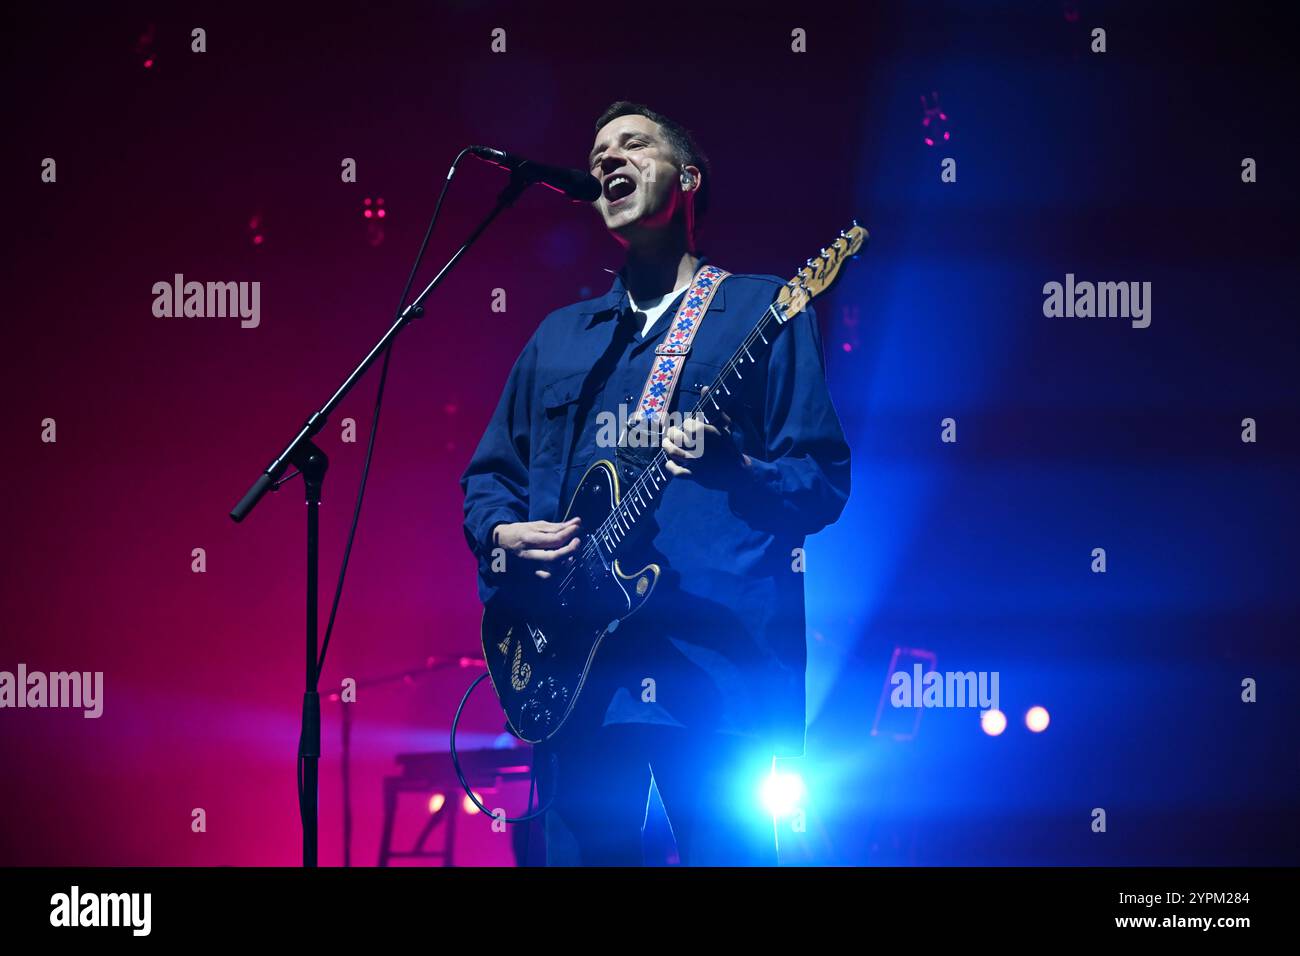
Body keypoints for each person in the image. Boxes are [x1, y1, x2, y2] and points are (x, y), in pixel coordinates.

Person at [461, 102, 850, 865]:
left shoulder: (763, 307)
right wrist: (503, 532)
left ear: (689, 179)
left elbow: (821, 482)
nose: (608, 159)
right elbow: (491, 478)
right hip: (577, 680)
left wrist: (737, 468)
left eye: (633, 145)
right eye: (598, 153)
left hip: (714, 672)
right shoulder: (559, 338)